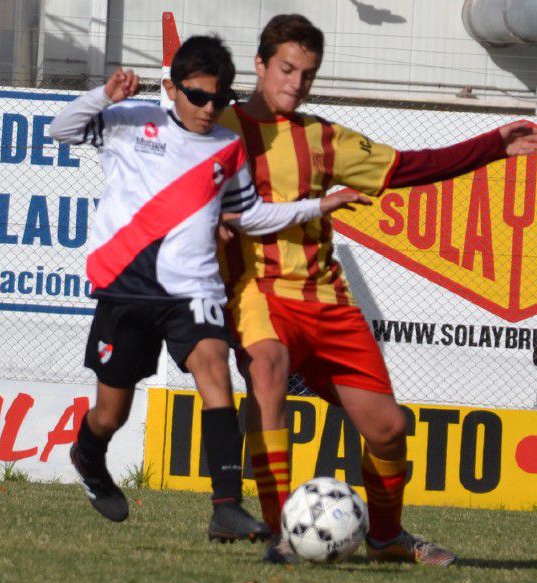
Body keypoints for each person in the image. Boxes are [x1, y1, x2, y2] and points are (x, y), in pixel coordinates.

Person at [216, 14, 537, 565]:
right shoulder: (221, 128)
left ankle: (386, 537)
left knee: (390, 429)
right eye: (286, 69)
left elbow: (408, 168)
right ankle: (281, 534)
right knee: (268, 369)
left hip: (327, 302)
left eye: (308, 74)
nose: (296, 84)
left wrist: (490, 147)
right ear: (260, 64)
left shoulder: (323, 137)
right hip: (259, 293)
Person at [49, 35, 369, 542]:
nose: (208, 109)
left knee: (215, 371)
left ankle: (225, 506)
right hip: (127, 292)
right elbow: (59, 129)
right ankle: (88, 456)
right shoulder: (130, 122)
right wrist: (103, 96)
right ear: (171, 88)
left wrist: (317, 206)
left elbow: (249, 215)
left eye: (219, 100)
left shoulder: (226, 145)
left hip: (193, 290)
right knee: (112, 413)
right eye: (198, 96)